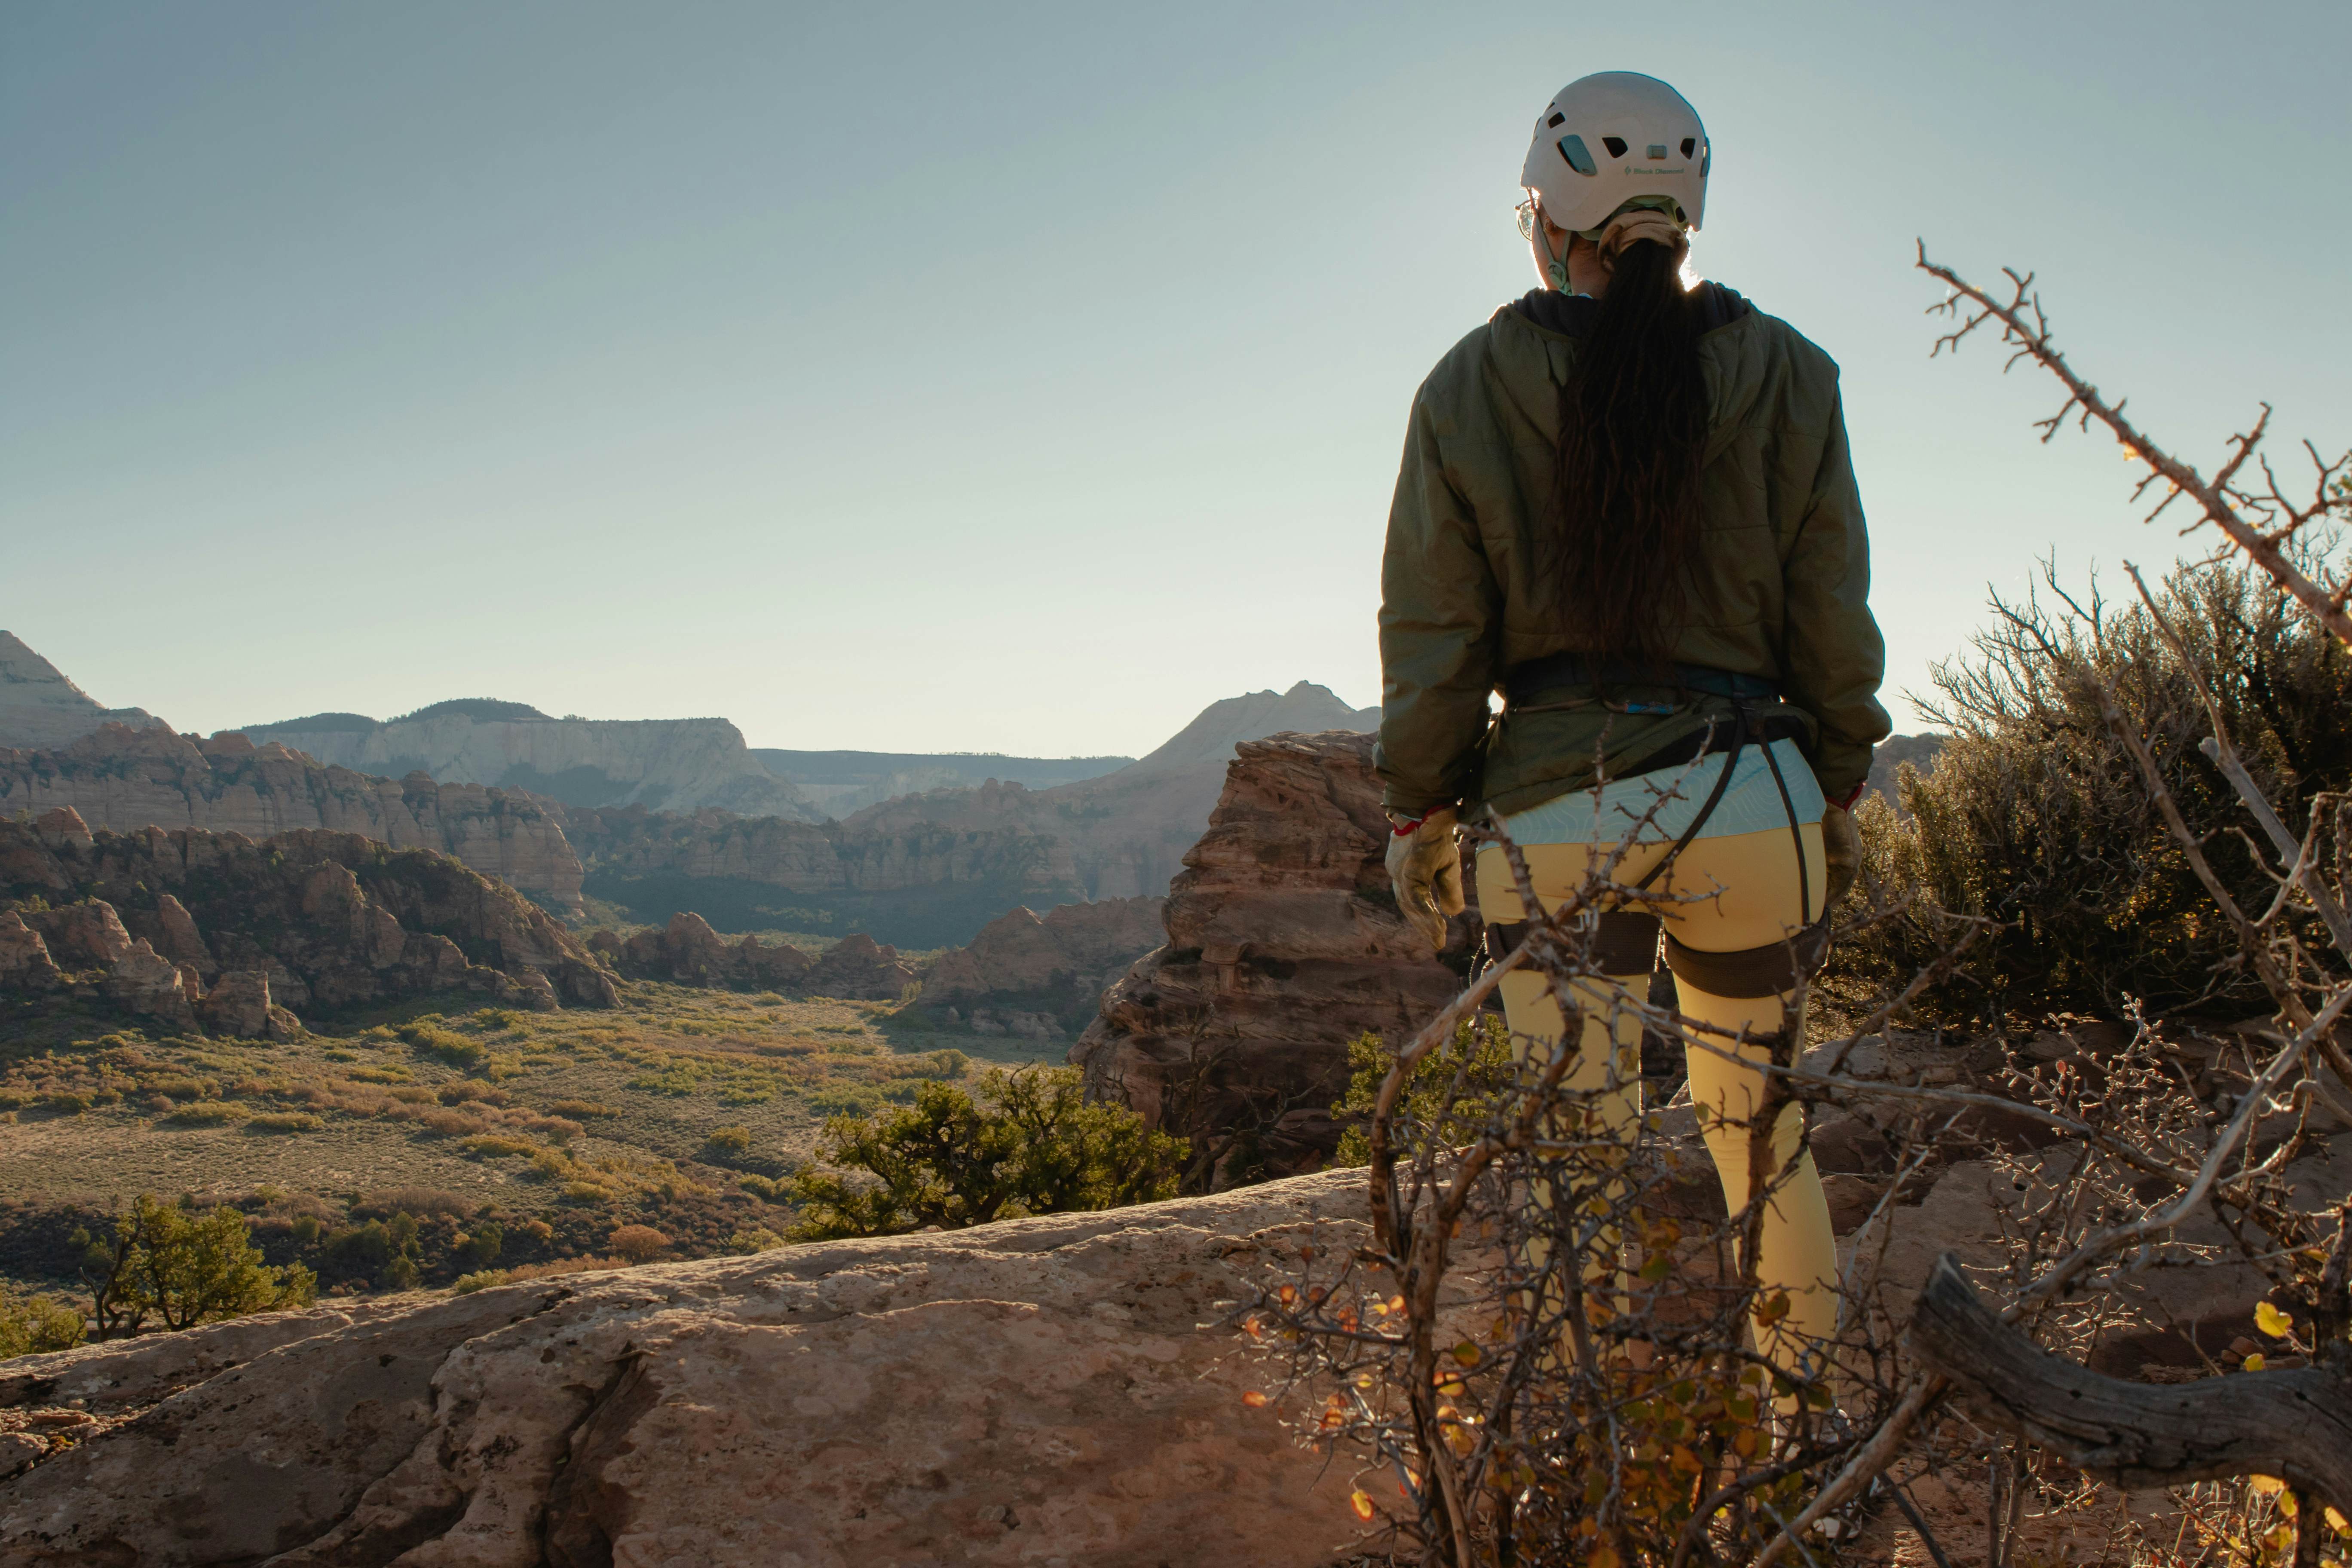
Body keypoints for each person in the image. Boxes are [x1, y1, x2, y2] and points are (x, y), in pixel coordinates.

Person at [1374, 71, 1890, 1379]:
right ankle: (1811, 1437)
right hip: (1755, 800)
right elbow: (1833, 613)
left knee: (1575, 1159)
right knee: (1764, 1143)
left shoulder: (1470, 383)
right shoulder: (1791, 371)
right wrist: (1836, 783)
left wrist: (1421, 808)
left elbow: (1435, 636)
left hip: (1555, 815)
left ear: (1547, 219)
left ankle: (1577, 1449)